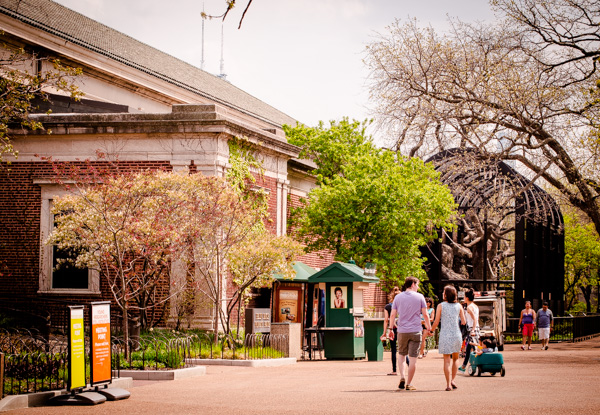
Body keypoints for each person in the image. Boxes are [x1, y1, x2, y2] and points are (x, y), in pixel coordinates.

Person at [389, 277, 432, 391]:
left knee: (402, 355)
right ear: (413, 284)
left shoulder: (398, 297)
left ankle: (402, 377)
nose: (418, 287)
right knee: (413, 359)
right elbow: (425, 314)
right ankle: (409, 383)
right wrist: (429, 328)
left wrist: (390, 328)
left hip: (402, 331)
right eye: (417, 284)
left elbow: (392, 315)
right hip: (415, 330)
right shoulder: (420, 297)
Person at [430, 285, 466, 391]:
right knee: (455, 359)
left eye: (443, 292)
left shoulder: (441, 306)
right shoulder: (459, 306)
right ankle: (453, 380)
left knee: (446, 360)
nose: (442, 294)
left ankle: (447, 384)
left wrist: (431, 330)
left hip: (445, 335)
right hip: (456, 334)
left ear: (446, 295)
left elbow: (436, 322)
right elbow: (463, 321)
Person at [381, 286, 401, 375]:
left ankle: (394, 370)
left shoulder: (388, 307)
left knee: (393, 350)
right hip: (402, 329)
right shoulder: (403, 306)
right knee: (403, 350)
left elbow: (386, 320)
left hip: (392, 329)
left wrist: (384, 332)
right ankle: (409, 366)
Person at [458, 289, 479, 372]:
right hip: (474, 328)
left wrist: (473, 330)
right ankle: (463, 366)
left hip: (471, 329)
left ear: (466, 297)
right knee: (469, 348)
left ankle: (476, 365)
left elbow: (474, 319)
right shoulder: (475, 306)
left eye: (464, 296)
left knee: (474, 348)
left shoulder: (469, 307)